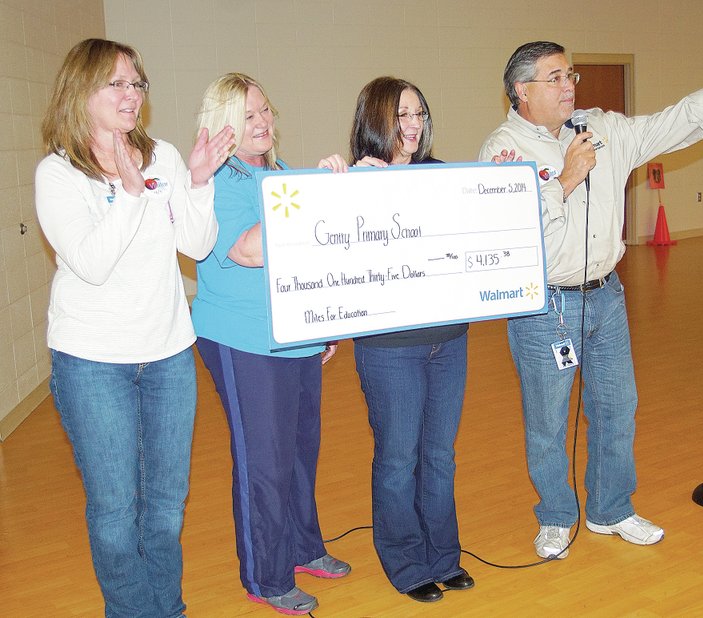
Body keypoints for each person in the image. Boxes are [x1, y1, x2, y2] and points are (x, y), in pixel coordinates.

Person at [478, 26, 703, 560]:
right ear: (522, 90)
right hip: (545, 307)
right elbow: (510, 234)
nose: (570, 87)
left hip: (606, 297)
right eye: (556, 78)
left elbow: (669, 125)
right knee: (547, 420)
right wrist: (565, 178)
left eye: (572, 75)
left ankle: (611, 508)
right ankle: (557, 517)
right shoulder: (502, 150)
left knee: (616, 407)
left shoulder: (600, 129)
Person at [35, 39, 234, 617]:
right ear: (81, 91)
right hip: (92, 362)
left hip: (169, 354)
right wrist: (129, 195)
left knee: (167, 507)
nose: (132, 94)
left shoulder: (164, 156)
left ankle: (166, 609)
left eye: (137, 82)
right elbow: (91, 263)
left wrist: (196, 182)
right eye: (117, 83)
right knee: (118, 510)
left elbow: (195, 244)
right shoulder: (58, 174)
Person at [192, 73, 351, 616]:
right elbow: (247, 249)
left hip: (295, 333)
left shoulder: (280, 173)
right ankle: (265, 575)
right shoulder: (222, 180)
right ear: (223, 127)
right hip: (242, 339)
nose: (261, 124)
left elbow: (313, 254)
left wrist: (323, 320)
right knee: (263, 459)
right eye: (246, 117)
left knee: (301, 452)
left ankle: (304, 547)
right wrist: (318, 196)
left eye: (265, 112)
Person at [349, 76, 474, 604]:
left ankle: (444, 555)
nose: (413, 123)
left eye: (419, 112)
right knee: (399, 457)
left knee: (440, 454)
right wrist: (348, 192)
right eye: (401, 114)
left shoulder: (441, 177)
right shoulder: (352, 186)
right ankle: (404, 562)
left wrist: (503, 186)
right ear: (376, 119)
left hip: (448, 339)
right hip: (389, 347)